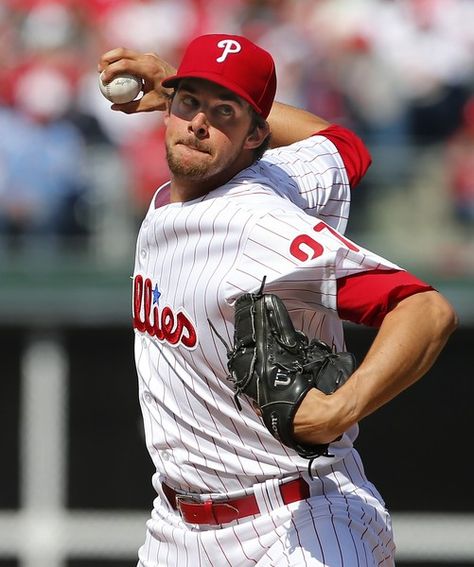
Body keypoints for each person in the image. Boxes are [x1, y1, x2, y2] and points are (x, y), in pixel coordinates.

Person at [98, 34, 457, 566]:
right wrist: (178, 77)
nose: (199, 123)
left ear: (256, 135)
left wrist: (342, 407)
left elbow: (425, 310)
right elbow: (344, 146)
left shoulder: (257, 222)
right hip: (175, 529)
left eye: (224, 113)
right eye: (189, 102)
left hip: (295, 526)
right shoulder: (280, 177)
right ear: (167, 108)